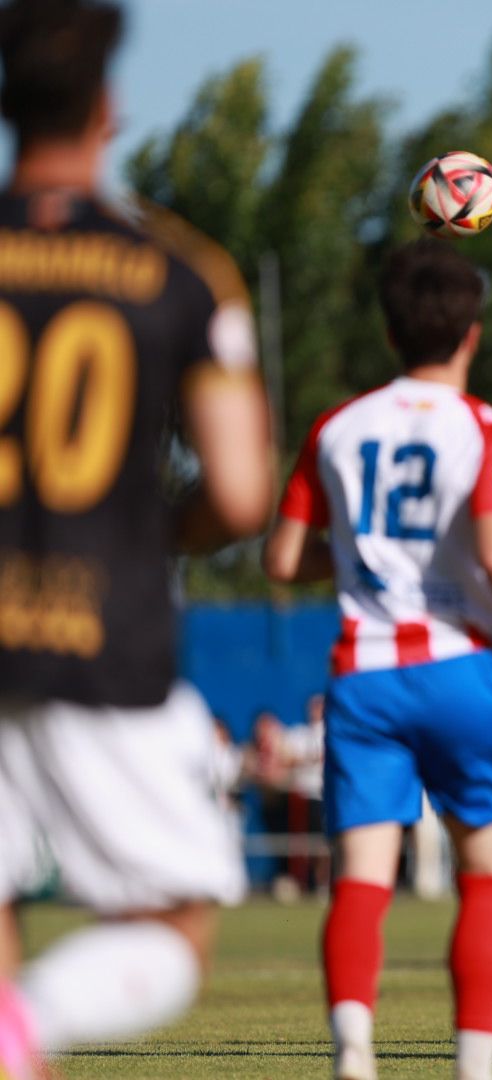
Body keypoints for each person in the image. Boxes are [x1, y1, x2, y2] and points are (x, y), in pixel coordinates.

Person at [0, 3, 274, 1075]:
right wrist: (151, 533)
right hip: (99, 626)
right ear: (109, 110)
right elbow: (242, 494)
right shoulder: (180, 270)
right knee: (177, 921)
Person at [261, 238, 492, 1080]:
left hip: (364, 674)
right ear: (473, 333)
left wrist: (354, 559)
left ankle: (352, 1053)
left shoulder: (338, 427)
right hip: (460, 672)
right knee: (485, 874)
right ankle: (473, 1069)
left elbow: (280, 559)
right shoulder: (491, 430)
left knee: (363, 878)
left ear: (388, 333)